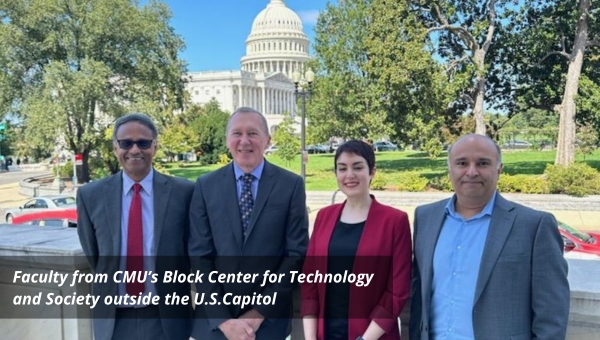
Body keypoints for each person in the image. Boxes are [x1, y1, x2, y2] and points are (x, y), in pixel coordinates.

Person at [409, 134, 570, 340]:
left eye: (483, 163)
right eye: (462, 163)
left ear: (499, 169)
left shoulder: (534, 225)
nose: (472, 171)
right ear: (449, 169)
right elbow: (419, 296)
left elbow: (552, 314)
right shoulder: (425, 217)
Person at [188, 107, 309, 340]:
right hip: (214, 323)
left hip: (268, 322)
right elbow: (199, 255)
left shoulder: (290, 185)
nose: (244, 141)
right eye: (237, 134)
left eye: (253, 133)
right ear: (227, 140)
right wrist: (223, 320)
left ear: (267, 140)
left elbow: (296, 253)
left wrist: (258, 313)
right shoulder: (205, 186)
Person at [77, 113, 194, 340]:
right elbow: (95, 255)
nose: (134, 150)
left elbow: (191, 251)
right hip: (113, 320)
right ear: (115, 148)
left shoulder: (184, 193)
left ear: (155, 147)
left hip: (166, 318)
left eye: (143, 143)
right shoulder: (90, 195)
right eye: (126, 143)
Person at [301, 140, 412, 340]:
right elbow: (310, 282)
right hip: (325, 334)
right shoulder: (323, 217)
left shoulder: (395, 221)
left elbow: (397, 291)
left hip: (371, 336)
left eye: (358, 167)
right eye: (342, 168)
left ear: (372, 172)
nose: (349, 175)